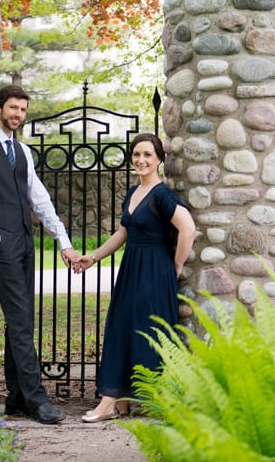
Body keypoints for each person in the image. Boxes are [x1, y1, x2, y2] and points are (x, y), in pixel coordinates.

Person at [0, 84, 79, 424]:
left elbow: (40, 199)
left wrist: (63, 241)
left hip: (26, 244)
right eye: (13, 108)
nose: (18, 115)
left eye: (23, 110)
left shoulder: (23, 152)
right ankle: (37, 399)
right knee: (22, 323)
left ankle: (16, 398)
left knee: (20, 321)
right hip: (3, 244)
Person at [72, 132, 195, 422]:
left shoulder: (162, 194)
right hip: (131, 269)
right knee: (121, 328)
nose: (141, 160)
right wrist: (93, 257)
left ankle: (112, 403)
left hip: (155, 272)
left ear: (159, 160)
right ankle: (121, 402)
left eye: (147, 155)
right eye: (137, 154)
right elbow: (124, 232)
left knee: (145, 333)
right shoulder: (132, 192)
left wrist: (175, 266)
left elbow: (187, 229)